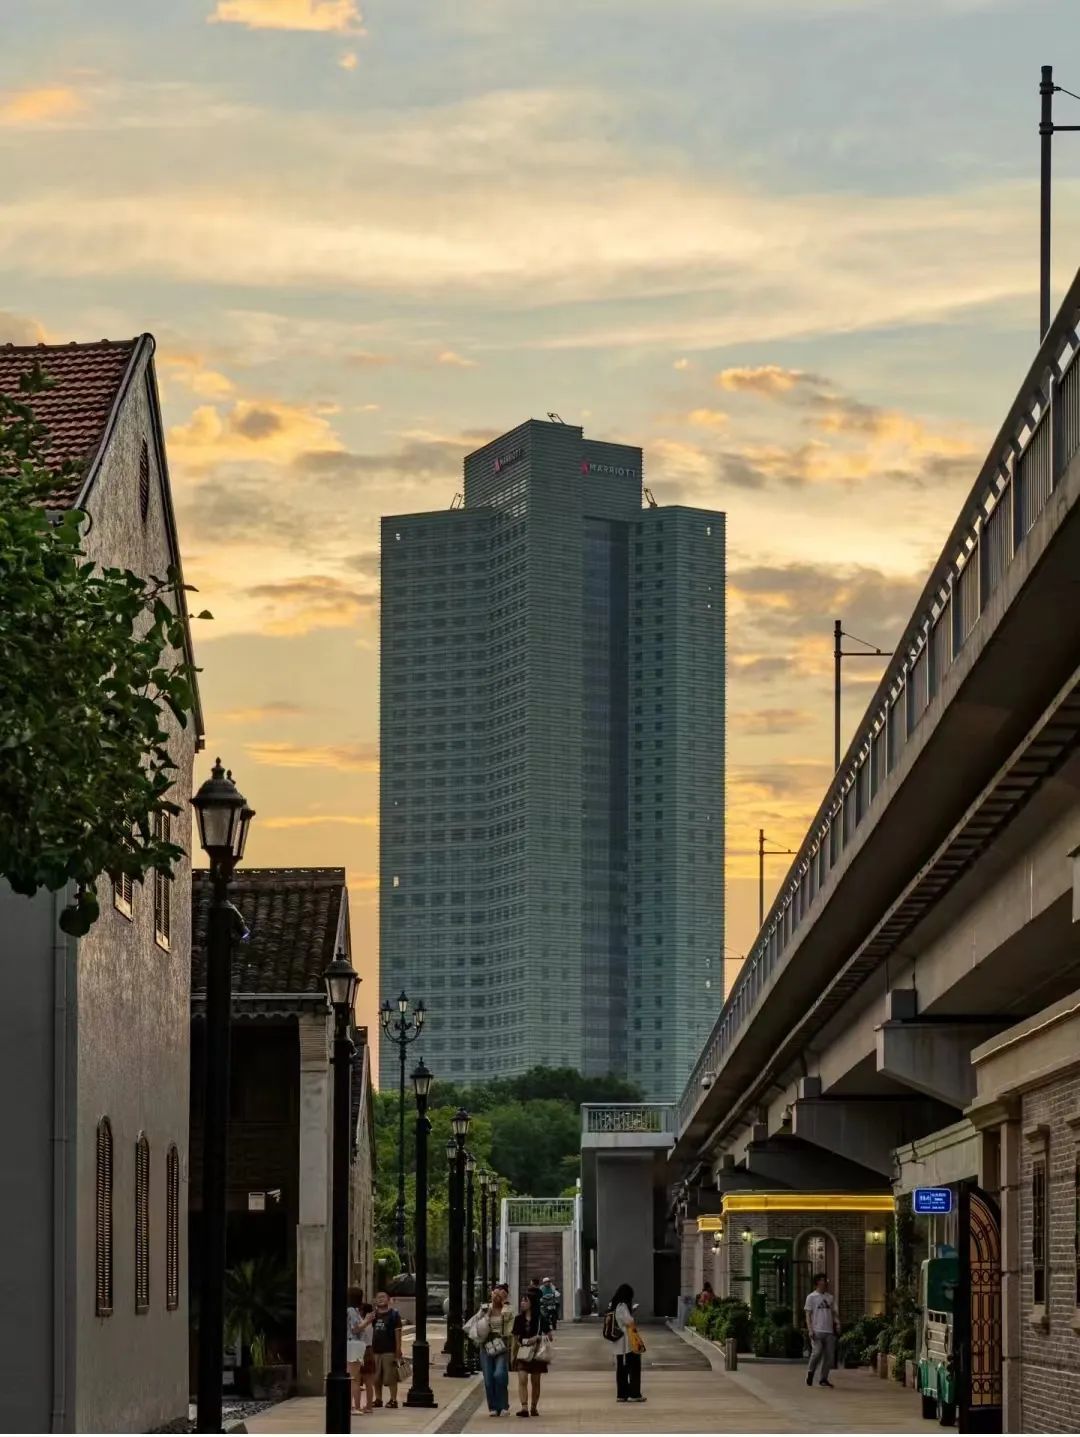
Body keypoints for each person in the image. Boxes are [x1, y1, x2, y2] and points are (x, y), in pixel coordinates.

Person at [468, 1283, 515, 1417]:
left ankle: (504, 1405)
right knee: (488, 1379)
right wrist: (486, 1314)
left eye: (500, 1294)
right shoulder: (484, 1309)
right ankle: (493, 1407)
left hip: (501, 1346)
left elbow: (510, 1329)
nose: (496, 1296)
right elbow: (476, 1324)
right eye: (495, 1293)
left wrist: (504, 1307)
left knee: (499, 1375)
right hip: (486, 1346)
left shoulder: (508, 1310)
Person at [512, 1286, 552, 1418]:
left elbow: (550, 1336)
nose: (522, 1303)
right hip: (523, 1353)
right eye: (522, 1301)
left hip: (536, 1354)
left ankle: (534, 1407)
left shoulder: (541, 1318)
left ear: (532, 1303)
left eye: (525, 1301)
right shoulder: (518, 1319)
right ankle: (524, 1407)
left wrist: (538, 1337)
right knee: (522, 1379)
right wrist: (514, 1354)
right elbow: (515, 1338)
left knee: (535, 1381)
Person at [608, 1283, 646, 1403]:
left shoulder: (614, 1305)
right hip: (627, 1343)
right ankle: (634, 1394)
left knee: (621, 1370)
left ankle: (622, 1394)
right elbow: (629, 1321)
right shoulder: (622, 1305)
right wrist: (631, 1313)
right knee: (634, 1368)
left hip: (619, 1344)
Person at [804, 1273, 840, 1388]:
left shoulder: (830, 1297)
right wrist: (810, 1330)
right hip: (817, 1330)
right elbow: (808, 1315)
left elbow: (834, 1313)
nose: (825, 1282)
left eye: (825, 1280)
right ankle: (810, 1372)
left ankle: (823, 1378)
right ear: (817, 1283)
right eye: (823, 1280)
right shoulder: (811, 1297)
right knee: (817, 1353)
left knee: (829, 1357)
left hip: (829, 1331)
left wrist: (838, 1323)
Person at [369, 1289, 403, 1408]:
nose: (381, 1299)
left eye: (383, 1297)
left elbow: (398, 1332)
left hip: (389, 1350)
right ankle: (378, 1399)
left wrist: (398, 1349)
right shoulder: (373, 1315)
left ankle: (393, 1400)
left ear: (389, 1300)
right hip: (376, 1350)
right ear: (375, 1301)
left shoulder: (394, 1314)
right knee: (376, 1377)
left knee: (390, 1377)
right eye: (378, 1297)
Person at [346, 1287, 374, 1415]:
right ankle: (354, 1407)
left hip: (350, 1344)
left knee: (353, 1378)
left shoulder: (350, 1310)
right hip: (354, 1344)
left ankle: (353, 1406)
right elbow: (356, 1329)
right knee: (354, 1378)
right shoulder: (352, 1311)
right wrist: (367, 1321)